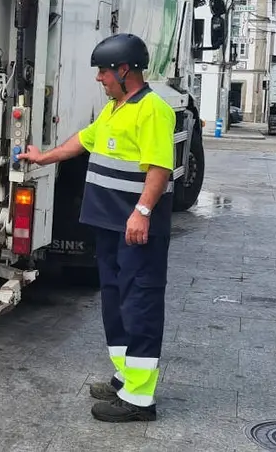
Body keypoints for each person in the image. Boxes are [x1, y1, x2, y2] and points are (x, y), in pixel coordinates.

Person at [16, 32, 176, 423]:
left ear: (125, 70)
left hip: (134, 228)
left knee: (139, 303)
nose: (99, 77)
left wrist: (141, 211)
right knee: (115, 302)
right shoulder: (117, 107)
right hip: (108, 226)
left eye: (103, 70)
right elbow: (84, 142)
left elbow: (160, 167)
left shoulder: (152, 109)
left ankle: (140, 400)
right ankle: (126, 378)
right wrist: (43, 158)